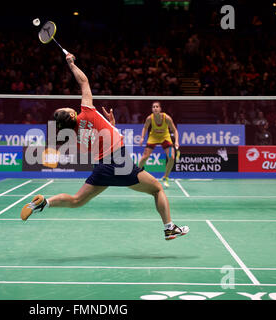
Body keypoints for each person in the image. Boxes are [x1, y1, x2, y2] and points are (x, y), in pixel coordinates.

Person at [20, 53, 189, 241]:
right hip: (119, 163)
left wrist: (110, 126)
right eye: (65, 110)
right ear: (72, 116)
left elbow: (100, 140)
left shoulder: (76, 136)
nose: (67, 107)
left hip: (102, 167)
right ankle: (169, 228)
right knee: (157, 189)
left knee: (77, 201)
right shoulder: (86, 111)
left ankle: (45, 203)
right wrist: (71, 64)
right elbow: (84, 82)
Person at [138, 102, 179, 188]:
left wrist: (176, 142)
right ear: (152, 109)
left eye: (157, 107)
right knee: (145, 157)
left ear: (160, 109)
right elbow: (145, 127)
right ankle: (135, 174)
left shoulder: (166, 118)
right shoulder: (149, 118)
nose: (155, 108)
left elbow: (174, 130)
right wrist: (142, 137)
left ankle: (165, 177)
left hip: (165, 137)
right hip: (153, 137)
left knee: (171, 157)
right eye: (153, 107)